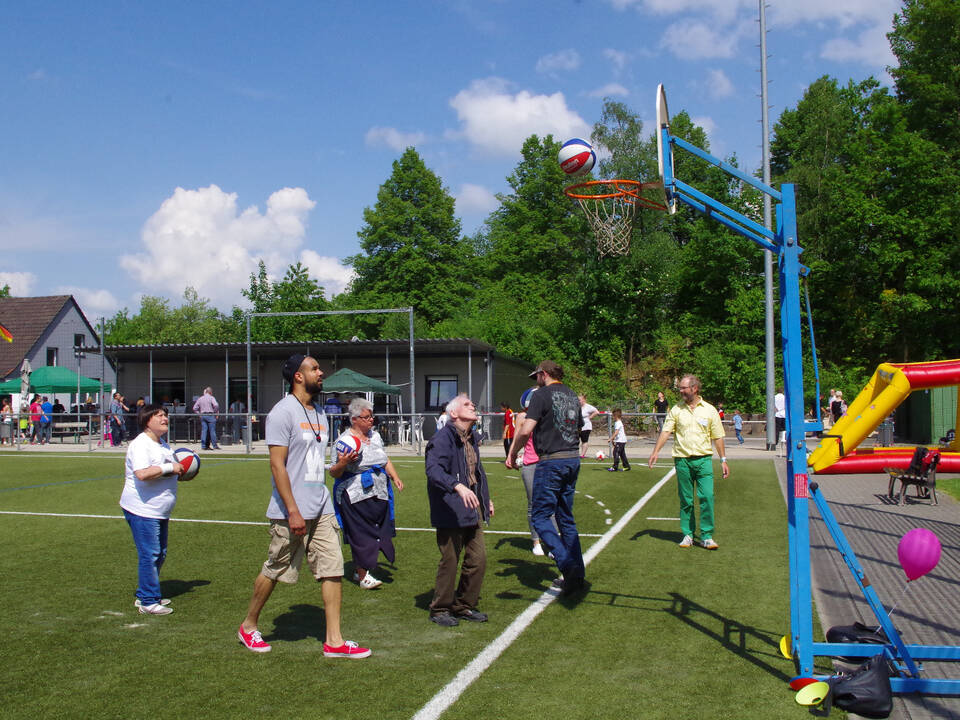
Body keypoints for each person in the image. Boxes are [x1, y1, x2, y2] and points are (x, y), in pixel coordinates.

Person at [237, 354, 370, 658]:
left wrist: (339, 467)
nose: (321, 372)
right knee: (274, 569)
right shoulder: (282, 413)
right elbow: (277, 466)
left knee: (333, 569)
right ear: (298, 376)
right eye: (314, 369)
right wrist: (293, 511)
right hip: (290, 510)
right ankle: (248, 625)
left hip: (321, 507)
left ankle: (334, 641)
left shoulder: (321, 413)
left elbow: (317, 465)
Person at [507, 360, 586, 595]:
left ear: (544, 374)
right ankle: (577, 575)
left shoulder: (540, 396)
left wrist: (512, 453)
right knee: (566, 519)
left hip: (551, 461)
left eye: (536, 376)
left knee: (540, 517)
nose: (536, 381)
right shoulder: (572, 395)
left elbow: (525, 429)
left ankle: (567, 565)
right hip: (572, 459)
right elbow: (579, 428)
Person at [425, 393, 493, 627]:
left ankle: (464, 605)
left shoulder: (471, 438)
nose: (472, 406)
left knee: (478, 559)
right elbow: (433, 470)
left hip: (471, 509)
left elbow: (477, 473)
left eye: (472, 403)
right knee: (450, 561)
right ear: (454, 413)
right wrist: (457, 486)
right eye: (466, 404)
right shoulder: (442, 439)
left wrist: (486, 500)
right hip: (450, 509)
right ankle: (440, 608)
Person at [329, 397, 404, 590]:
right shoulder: (343, 442)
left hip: (379, 491)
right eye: (366, 417)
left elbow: (384, 459)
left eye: (372, 416)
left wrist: (395, 477)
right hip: (355, 494)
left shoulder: (375, 436)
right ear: (354, 419)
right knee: (360, 534)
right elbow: (334, 472)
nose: (371, 420)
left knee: (379, 530)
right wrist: (343, 463)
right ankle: (363, 577)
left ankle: (359, 569)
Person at [648, 374, 730, 550]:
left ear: (694, 388)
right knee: (686, 499)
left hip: (704, 461)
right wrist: (655, 452)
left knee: (707, 497)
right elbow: (665, 432)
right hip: (682, 461)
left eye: (684, 388)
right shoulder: (676, 410)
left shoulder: (709, 410)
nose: (681, 391)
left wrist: (723, 459)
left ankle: (707, 535)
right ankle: (688, 534)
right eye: (680, 388)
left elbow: (718, 436)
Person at [119, 404, 185, 615]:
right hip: (142, 509)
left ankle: (146, 594)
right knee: (150, 554)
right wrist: (169, 468)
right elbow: (142, 474)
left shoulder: (163, 445)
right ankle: (148, 601)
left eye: (165, 415)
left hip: (159, 509)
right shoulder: (141, 445)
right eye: (159, 416)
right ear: (147, 421)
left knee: (159, 554)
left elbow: (169, 470)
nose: (164, 418)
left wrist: (182, 470)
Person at [511, 387, 556, 557]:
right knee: (533, 504)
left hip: (549, 462)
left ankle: (552, 543)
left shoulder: (550, 414)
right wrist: (511, 455)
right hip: (530, 463)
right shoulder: (523, 416)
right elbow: (518, 436)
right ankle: (536, 541)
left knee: (552, 504)